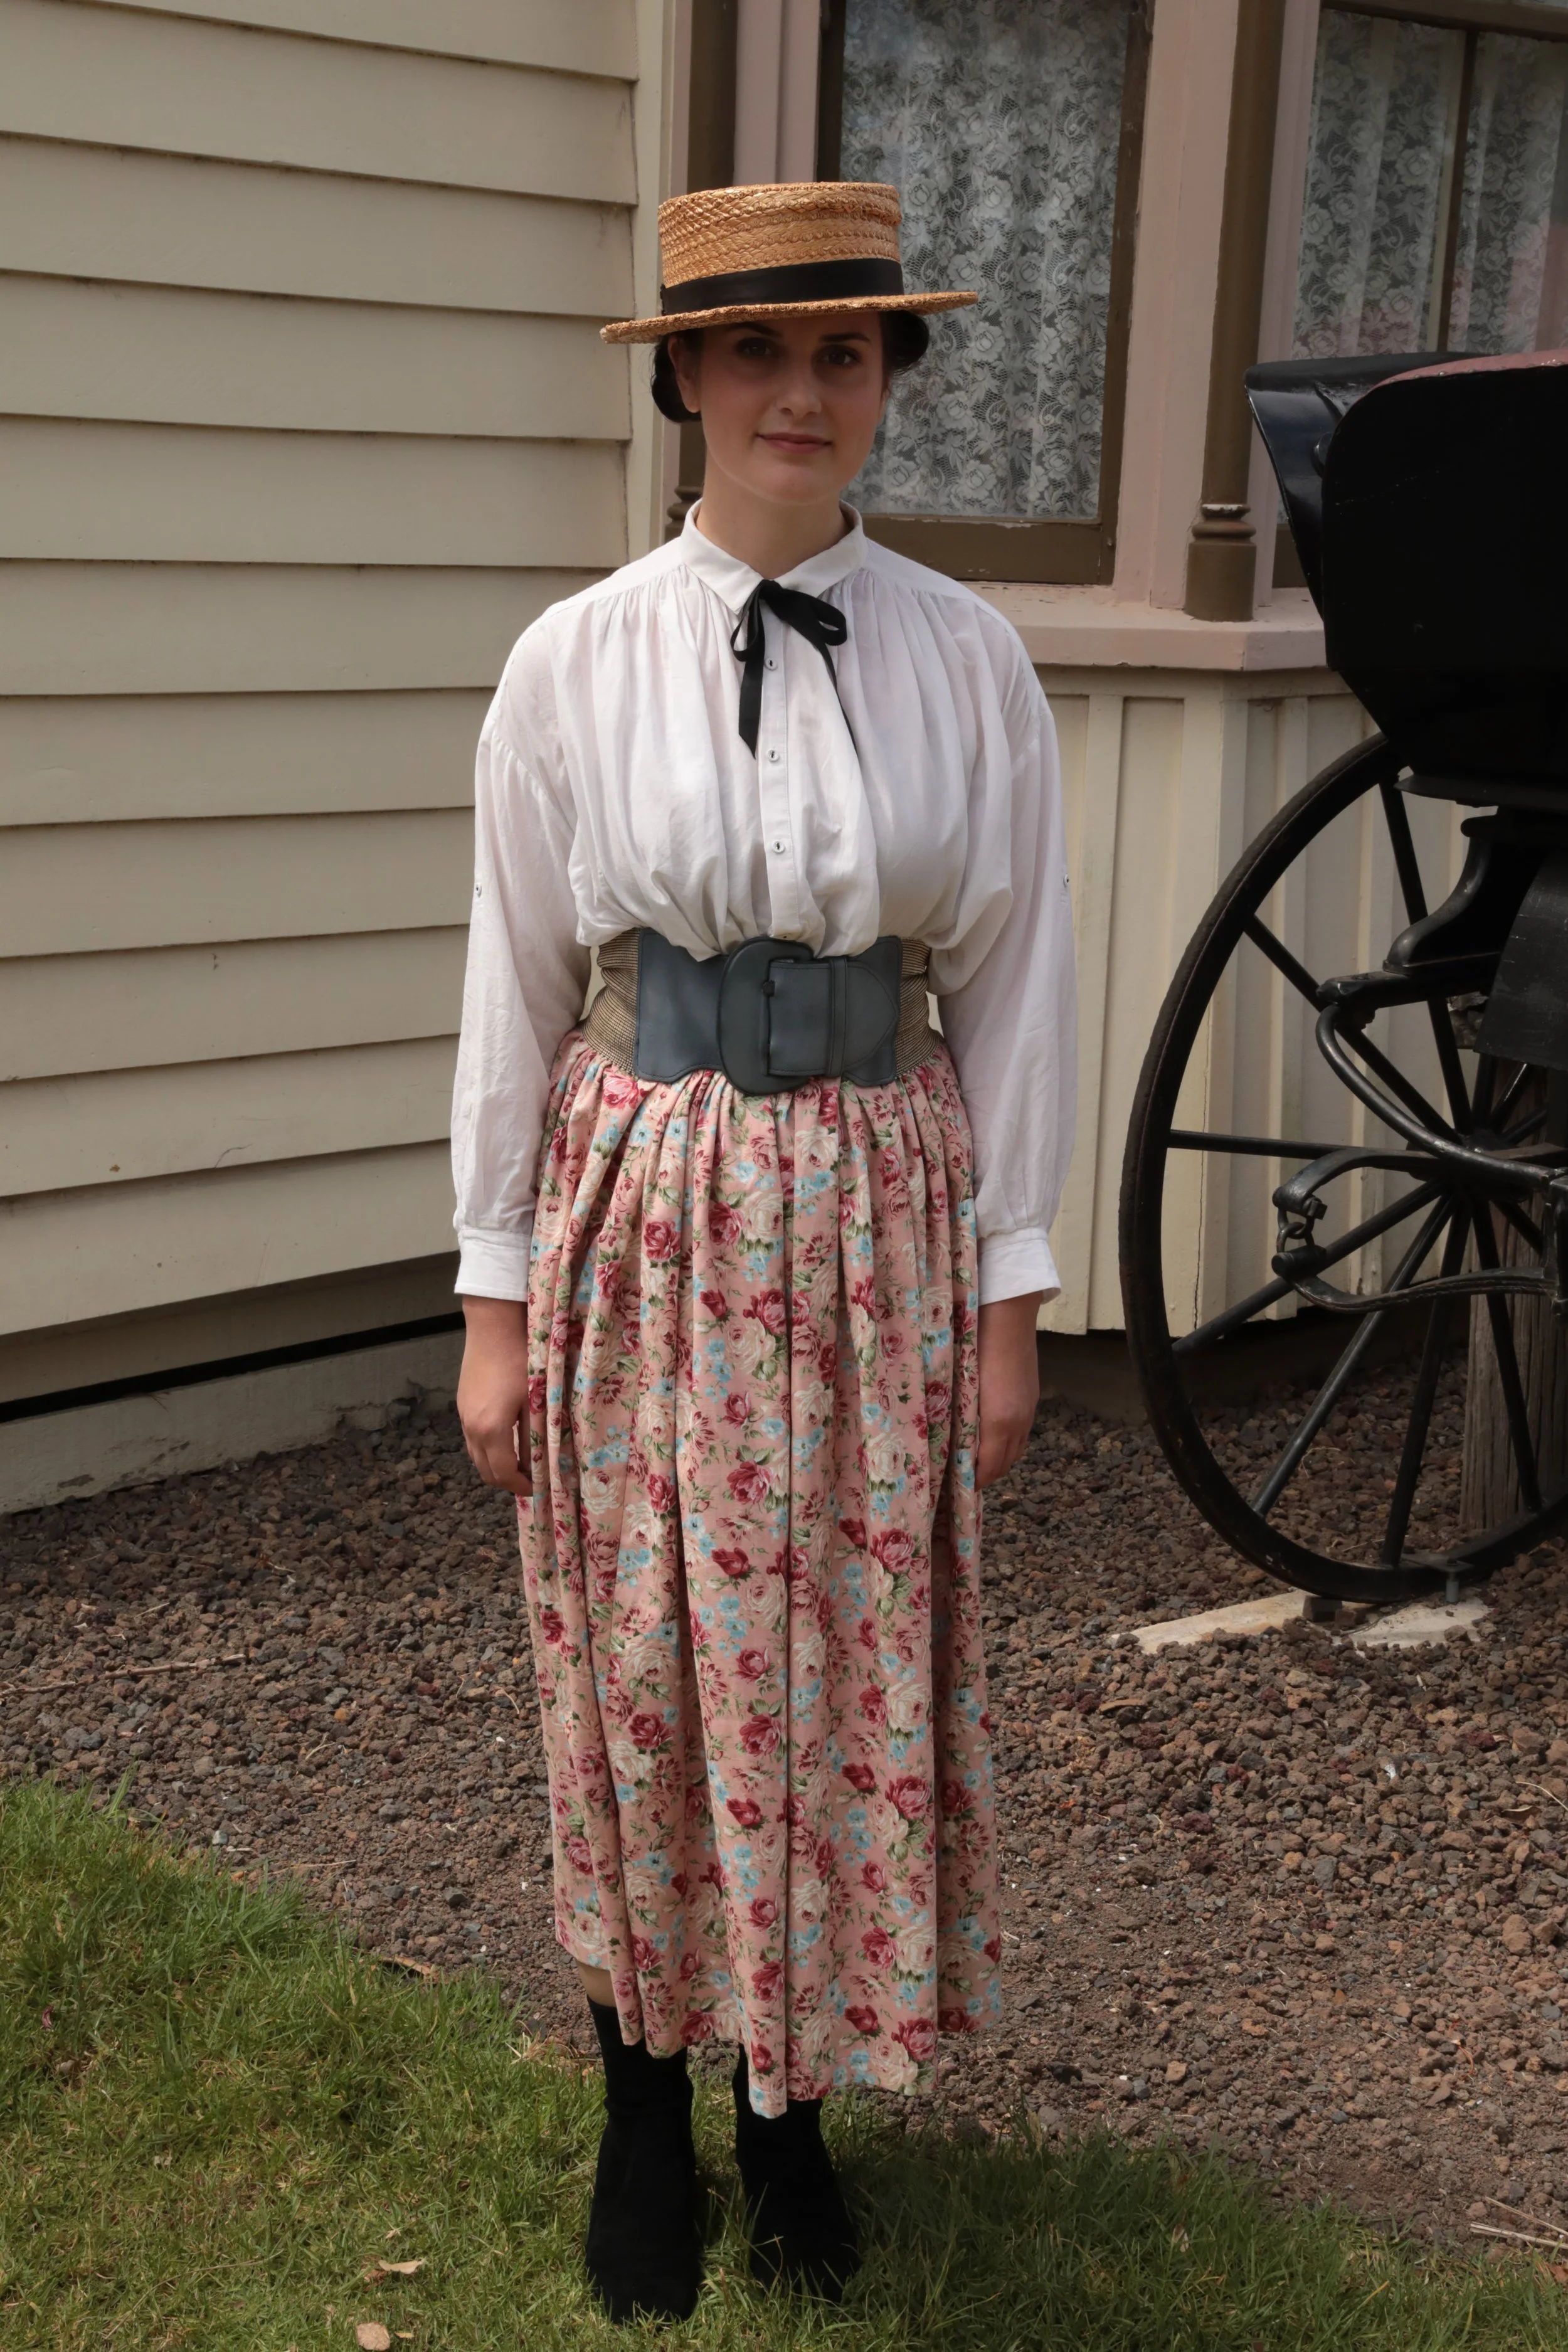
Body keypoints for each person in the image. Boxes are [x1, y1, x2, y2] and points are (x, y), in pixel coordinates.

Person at [451, 179, 1076, 2323]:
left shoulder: (970, 660)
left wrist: (1009, 1300)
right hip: (648, 1205)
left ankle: (790, 2114)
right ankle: (644, 2090)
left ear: (885, 379)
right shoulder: (574, 659)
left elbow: (1015, 990)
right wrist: (490, 1293)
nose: (799, 391)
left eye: (843, 351)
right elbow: (515, 983)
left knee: (832, 1669)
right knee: (643, 1669)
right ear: (686, 381)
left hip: (880, 1214)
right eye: (754, 352)